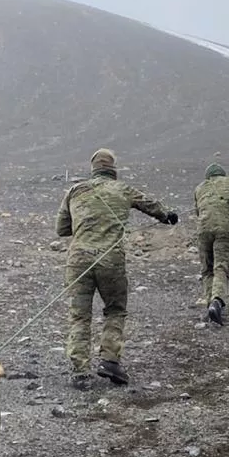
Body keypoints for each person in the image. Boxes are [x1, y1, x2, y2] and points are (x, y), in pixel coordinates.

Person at [56, 147, 177, 389]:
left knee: (80, 315)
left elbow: (62, 229)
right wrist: (168, 217)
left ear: (93, 169)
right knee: (115, 309)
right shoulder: (123, 190)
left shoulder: (75, 191)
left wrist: (85, 225)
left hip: (79, 260)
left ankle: (80, 370)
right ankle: (109, 360)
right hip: (111, 260)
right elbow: (151, 206)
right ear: (113, 170)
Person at [194, 162, 229, 325]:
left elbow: (198, 210)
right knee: (221, 266)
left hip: (203, 229)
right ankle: (216, 301)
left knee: (207, 269)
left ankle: (208, 302)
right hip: (225, 229)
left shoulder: (199, 188)